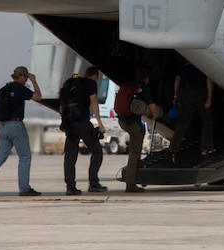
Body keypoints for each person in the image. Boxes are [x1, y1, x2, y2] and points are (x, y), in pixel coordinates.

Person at [0, 66, 43, 197]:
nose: (26, 80)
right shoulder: (20, 88)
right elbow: (38, 97)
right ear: (23, 76)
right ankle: (24, 188)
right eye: (26, 77)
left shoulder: (5, 88)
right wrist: (34, 81)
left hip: (3, 127)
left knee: (0, 157)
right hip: (16, 126)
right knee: (25, 157)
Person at [61, 65, 107, 195]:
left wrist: (65, 122)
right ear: (95, 76)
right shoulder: (91, 84)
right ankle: (93, 183)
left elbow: (62, 104)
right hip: (83, 123)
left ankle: (70, 187)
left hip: (70, 124)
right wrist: (99, 123)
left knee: (70, 157)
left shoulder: (69, 84)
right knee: (97, 151)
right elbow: (94, 103)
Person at [117, 65, 158, 193]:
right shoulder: (143, 87)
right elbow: (151, 104)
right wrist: (155, 114)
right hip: (133, 124)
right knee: (134, 153)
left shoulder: (129, 85)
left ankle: (139, 165)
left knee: (137, 145)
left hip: (122, 120)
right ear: (146, 78)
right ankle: (130, 183)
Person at [170, 60, 214, 161]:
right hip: (199, 92)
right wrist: (210, 97)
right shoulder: (203, 60)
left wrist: (176, 96)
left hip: (184, 92)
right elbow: (209, 78)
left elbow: (177, 78)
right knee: (206, 120)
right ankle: (206, 148)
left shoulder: (185, 61)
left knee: (183, 122)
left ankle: (173, 149)